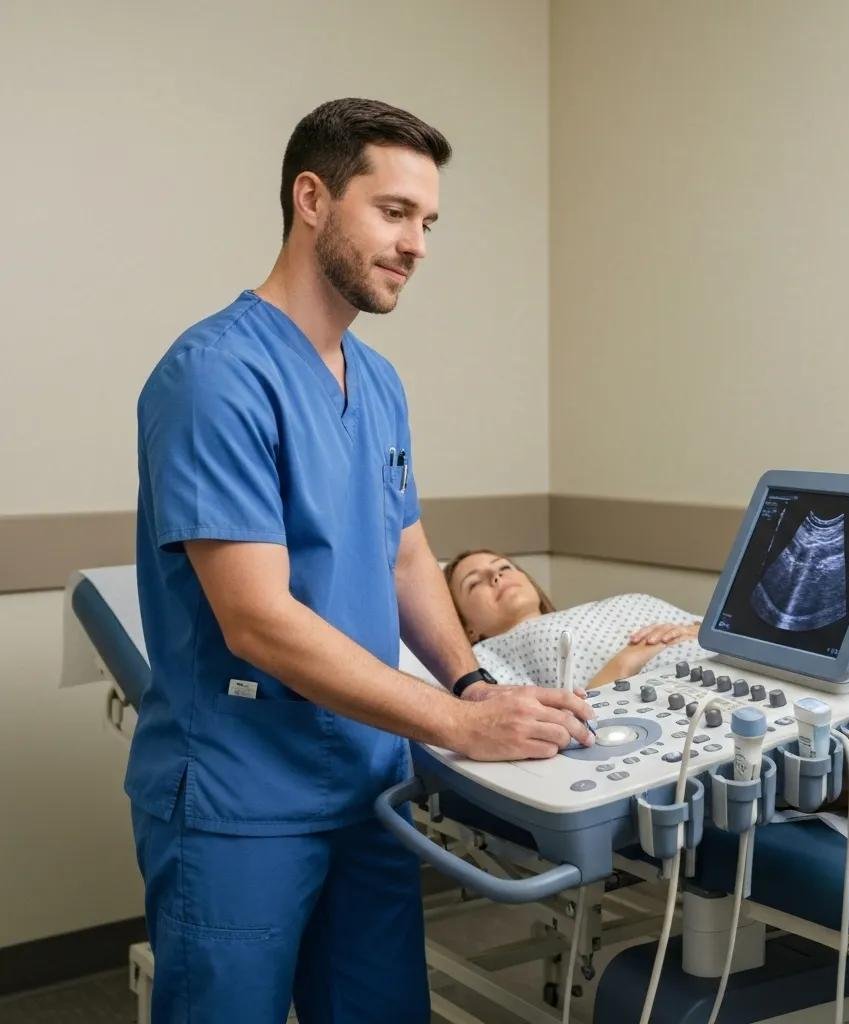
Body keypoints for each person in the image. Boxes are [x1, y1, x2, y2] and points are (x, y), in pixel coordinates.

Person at [128, 100, 594, 1024]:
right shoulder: (214, 376)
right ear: (312, 199)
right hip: (241, 796)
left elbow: (405, 550)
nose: (416, 244)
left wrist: (470, 685)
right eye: (393, 212)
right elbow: (257, 620)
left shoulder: (376, 382)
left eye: (428, 222)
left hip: (365, 781)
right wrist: (455, 727)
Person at [444, 549, 849, 874]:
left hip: (749, 662)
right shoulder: (490, 659)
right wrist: (624, 663)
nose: (497, 576)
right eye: (475, 581)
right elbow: (571, 722)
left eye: (505, 565)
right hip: (705, 707)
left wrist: (702, 630)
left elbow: (720, 627)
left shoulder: (623, 601)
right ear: (465, 624)